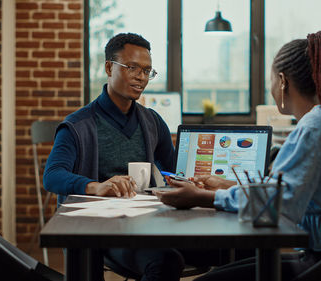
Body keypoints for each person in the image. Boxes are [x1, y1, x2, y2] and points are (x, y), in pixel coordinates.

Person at [157, 31, 321, 281]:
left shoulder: (312, 129)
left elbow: (278, 205)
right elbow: (288, 190)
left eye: (269, 80)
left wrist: (204, 197)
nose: (270, 88)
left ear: (282, 81)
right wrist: (231, 185)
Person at [43, 33, 223, 281]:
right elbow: (52, 176)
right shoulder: (78, 124)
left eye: (147, 70)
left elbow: (173, 171)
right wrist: (96, 186)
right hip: (103, 232)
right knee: (166, 262)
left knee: (235, 251)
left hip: (149, 225)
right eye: (132, 68)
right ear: (109, 67)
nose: (141, 77)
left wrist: (192, 182)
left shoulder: (151, 121)